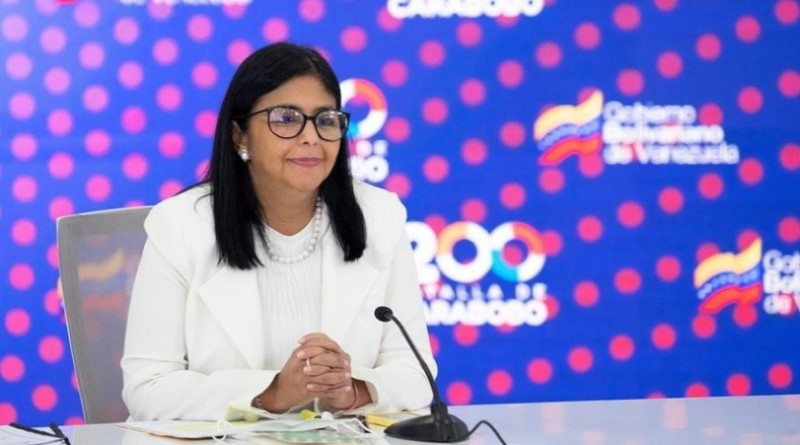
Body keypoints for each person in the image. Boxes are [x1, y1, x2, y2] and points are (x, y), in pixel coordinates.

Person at [121, 42, 435, 421]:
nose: (311, 137)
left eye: (325, 119)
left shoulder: (380, 216)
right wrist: (273, 392)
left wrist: (352, 390)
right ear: (240, 136)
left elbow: (415, 372)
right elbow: (147, 387)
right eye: (286, 118)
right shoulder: (180, 224)